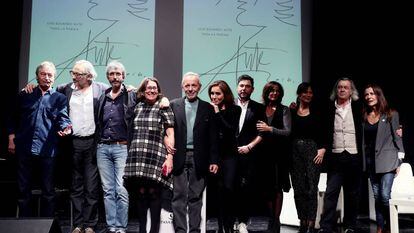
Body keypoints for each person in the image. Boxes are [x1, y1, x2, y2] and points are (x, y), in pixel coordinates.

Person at [8, 61, 72, 217]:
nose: (47, 77)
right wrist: (11, 138)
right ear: (37, 76)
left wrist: (66, 128)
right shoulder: (25, 94)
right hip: (24, 147)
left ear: (54, 78)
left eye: (50, 75)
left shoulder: (59, 98)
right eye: (43, 74)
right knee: (23, 189)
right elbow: (12, 118)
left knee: (48, 190)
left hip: (47, 149)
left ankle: (47, 224)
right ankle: (24, 224)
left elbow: (63, 118)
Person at [58, 60, 109, 233]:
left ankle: (90, 224)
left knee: (91, 186)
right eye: (72, 73)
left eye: (77, 74)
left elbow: (120, 90)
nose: (73, 76)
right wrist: (30, 89)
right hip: (73, 143)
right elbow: (47, 89)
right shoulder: (66, 89)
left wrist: (131, 88)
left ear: (88, 76)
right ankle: (78, 224)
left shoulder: (100, 88)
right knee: (76, 186)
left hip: (92, 143)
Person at [123, 77, 175, 233]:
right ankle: (141, 230)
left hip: (155, 154)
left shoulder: (164, 106)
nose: (151, 90)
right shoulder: (138, 107)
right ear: (143, 91)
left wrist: (170, 157)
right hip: (138, 155)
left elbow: (170, 132)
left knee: (154, 193)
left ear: (158, 91)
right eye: (148, 88)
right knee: (141, 193)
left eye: (154, 88)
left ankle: (153, 230)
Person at [170, 72, 219, 233]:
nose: (190, 89)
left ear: (199, 86)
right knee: (178, 197)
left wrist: (214, 160)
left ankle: (195, 230)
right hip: (179, 157)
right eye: (187, 85)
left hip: (200, 159)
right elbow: (167, 132)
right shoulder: (173, 105)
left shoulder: (208, 108)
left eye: (194, 85)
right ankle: (180, 230)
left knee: (196, 197)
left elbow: (213, 137)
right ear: (182, 86)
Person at [318, 77, 363, 233]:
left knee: (352, 194)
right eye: (340, 87)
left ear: (351, 91)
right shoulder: (329, 107)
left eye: (346, 87)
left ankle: (350, 226)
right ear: (336, 90)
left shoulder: (359, 107)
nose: (342, 90)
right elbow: (323, 130)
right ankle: (326, 226)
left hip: (354, 156)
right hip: (336, 156)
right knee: (331, 192)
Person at [95, 61, 136, 233]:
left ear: (124, 76)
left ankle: (121, 227)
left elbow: (153, 94)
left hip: (122, 148)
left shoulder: (131, 95)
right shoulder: (103, 96)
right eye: (112, 74)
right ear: (108, 77)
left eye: (118, 74)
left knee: (121, 189)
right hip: (103, 148)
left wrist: (163, 99)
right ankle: (112, 226)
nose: (115, 77)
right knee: (107, 190)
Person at [362, 84, 405, 233]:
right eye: (366, 94)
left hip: (388, 160)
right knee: (377, 196)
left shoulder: (391, 114)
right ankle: (381, 226)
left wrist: (400, 160)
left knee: (385, 195)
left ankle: (391, 223)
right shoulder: (364, 115)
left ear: (379, 95)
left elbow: (397, 137)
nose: (369, 97)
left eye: (372, 94)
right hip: (371, 162)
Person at [289, 82, 326, 233]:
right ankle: (302, 221)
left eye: (310, 92)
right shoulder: (291, 111)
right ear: (299, 94)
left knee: (311, 188)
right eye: (305, 92)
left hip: (312, 150)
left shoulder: (317, 111)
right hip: (294, 150)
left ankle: (311, 222)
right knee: (298, 188)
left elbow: (325, 131)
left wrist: (323, 149)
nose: (308, 95)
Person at [256, 81, 291, 233]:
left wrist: (269, 129)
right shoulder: (260, 108)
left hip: (278, 154)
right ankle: (271, 218)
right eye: (271, 90)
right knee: (266, 189)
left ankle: (276, 221)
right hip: (262, 154)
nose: (274, 93)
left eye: (277, 90)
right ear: (266, 92)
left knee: (277, 189)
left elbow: (287, 132)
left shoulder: (284, 110)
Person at [208, 80, 241, 233]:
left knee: (229, 189)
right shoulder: (208, 109)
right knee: (218, 192)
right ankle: (221, 227)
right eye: (212, 93)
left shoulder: (235, 109)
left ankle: (230, 225)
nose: (214, 96)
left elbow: (230, 130)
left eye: (218, 93)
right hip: (215, 156)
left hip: (230, 155)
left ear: (225, 94)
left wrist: (217, 112)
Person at [234, 74, 265, 233]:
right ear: (237, 87)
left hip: (248, 154)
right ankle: (230, 221)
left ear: (252, 89)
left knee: (245, 188)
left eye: (247, 86)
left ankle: (242, 222)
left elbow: (262, 134)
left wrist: (249, 146)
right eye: (241, 85)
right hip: (229, 155)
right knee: (228, 188)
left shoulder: (258, 108)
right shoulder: (228, 105)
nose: (244, 88)